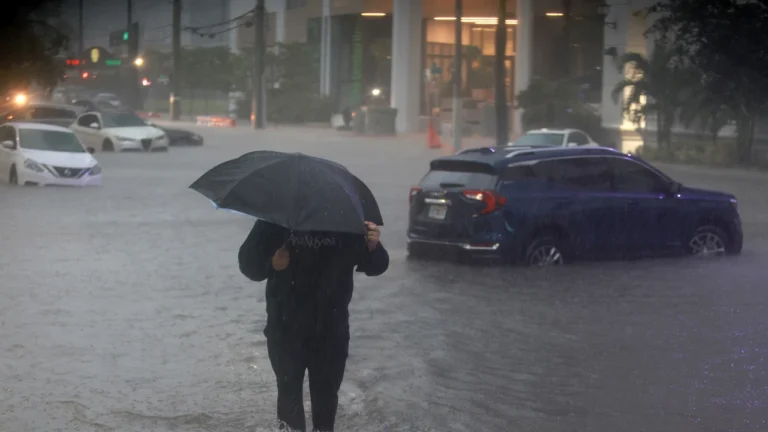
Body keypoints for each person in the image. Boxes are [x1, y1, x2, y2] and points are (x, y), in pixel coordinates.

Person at [238, 219, 389, 432]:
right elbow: (248, 264)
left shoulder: (345, 219)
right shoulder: (276, 219)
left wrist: (373, 247)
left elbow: (377, 266)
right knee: (289, 396)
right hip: (285, 328)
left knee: (326, 400)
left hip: (331, 329)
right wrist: (271, 263)